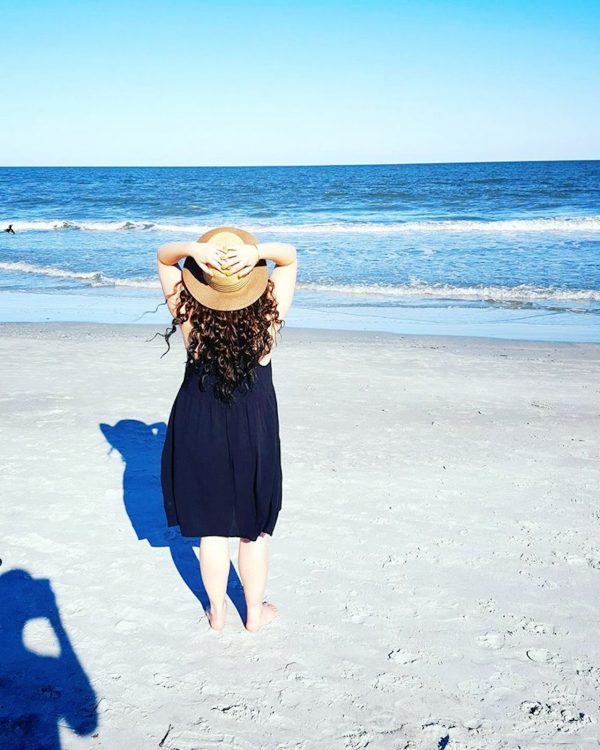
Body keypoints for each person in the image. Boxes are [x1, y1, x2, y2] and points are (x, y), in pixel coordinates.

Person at [157, 226, 297, 632]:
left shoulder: (190, 315)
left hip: (199, 421)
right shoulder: (268, 311)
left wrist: (193, 250)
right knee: (253, 529)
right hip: (254, 423)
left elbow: (164, 257)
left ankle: (217, 613)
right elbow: (289, 257)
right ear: (251, 277)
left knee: (212, 529)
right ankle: (254, 615)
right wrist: (256, 251)